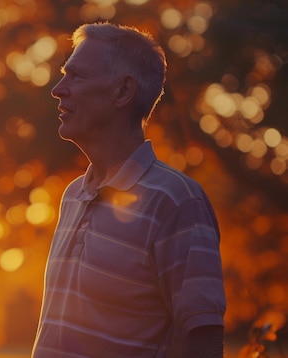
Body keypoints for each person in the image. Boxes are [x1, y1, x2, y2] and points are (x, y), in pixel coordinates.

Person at [32, 23, 226, 358]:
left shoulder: (177, 202)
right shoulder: (73, 195)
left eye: (76, 76)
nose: (58, 89)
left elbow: (203, 340)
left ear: (122, 91)